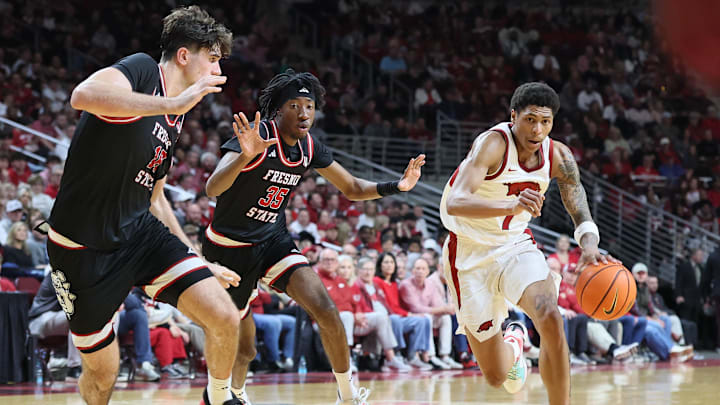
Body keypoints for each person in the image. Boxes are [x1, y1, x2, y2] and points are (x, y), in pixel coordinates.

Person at [44, 6, 243, 405]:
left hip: (139, 234)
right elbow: (82, 96)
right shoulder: (141, 72)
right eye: (214, 57)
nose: (219, 68)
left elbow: (155, 197)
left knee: (224, 315)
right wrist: (172, 105)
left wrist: (197, 259)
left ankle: (218, 399)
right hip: (82, 249)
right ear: (185, 56)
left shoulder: (176, 115)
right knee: (103, 377)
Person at [203, 68, 425, 405]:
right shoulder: (257, 136)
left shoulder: (308, 146)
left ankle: (348, 396)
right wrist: (244, 158)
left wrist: (397, 185)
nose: (304, 112)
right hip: (229, 247)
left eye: (309, 105)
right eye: (294, 105)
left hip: (272, 241)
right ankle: (229, 394)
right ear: (278, 110)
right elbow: (212, 187)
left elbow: (351, 187)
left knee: (326, 309)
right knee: (243, 347)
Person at [439, 82, 617, 405]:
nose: (537, 130)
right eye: (530, 120)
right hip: (468, 253)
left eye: (545, 122)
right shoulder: (492, 144)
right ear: (513, 117)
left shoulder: (558, 155)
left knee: (550, 314)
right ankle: (516, 340)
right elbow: (456, 201)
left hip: (515, 245)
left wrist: (589, 244)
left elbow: (577, 202)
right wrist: (510, 205)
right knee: (496, 377)